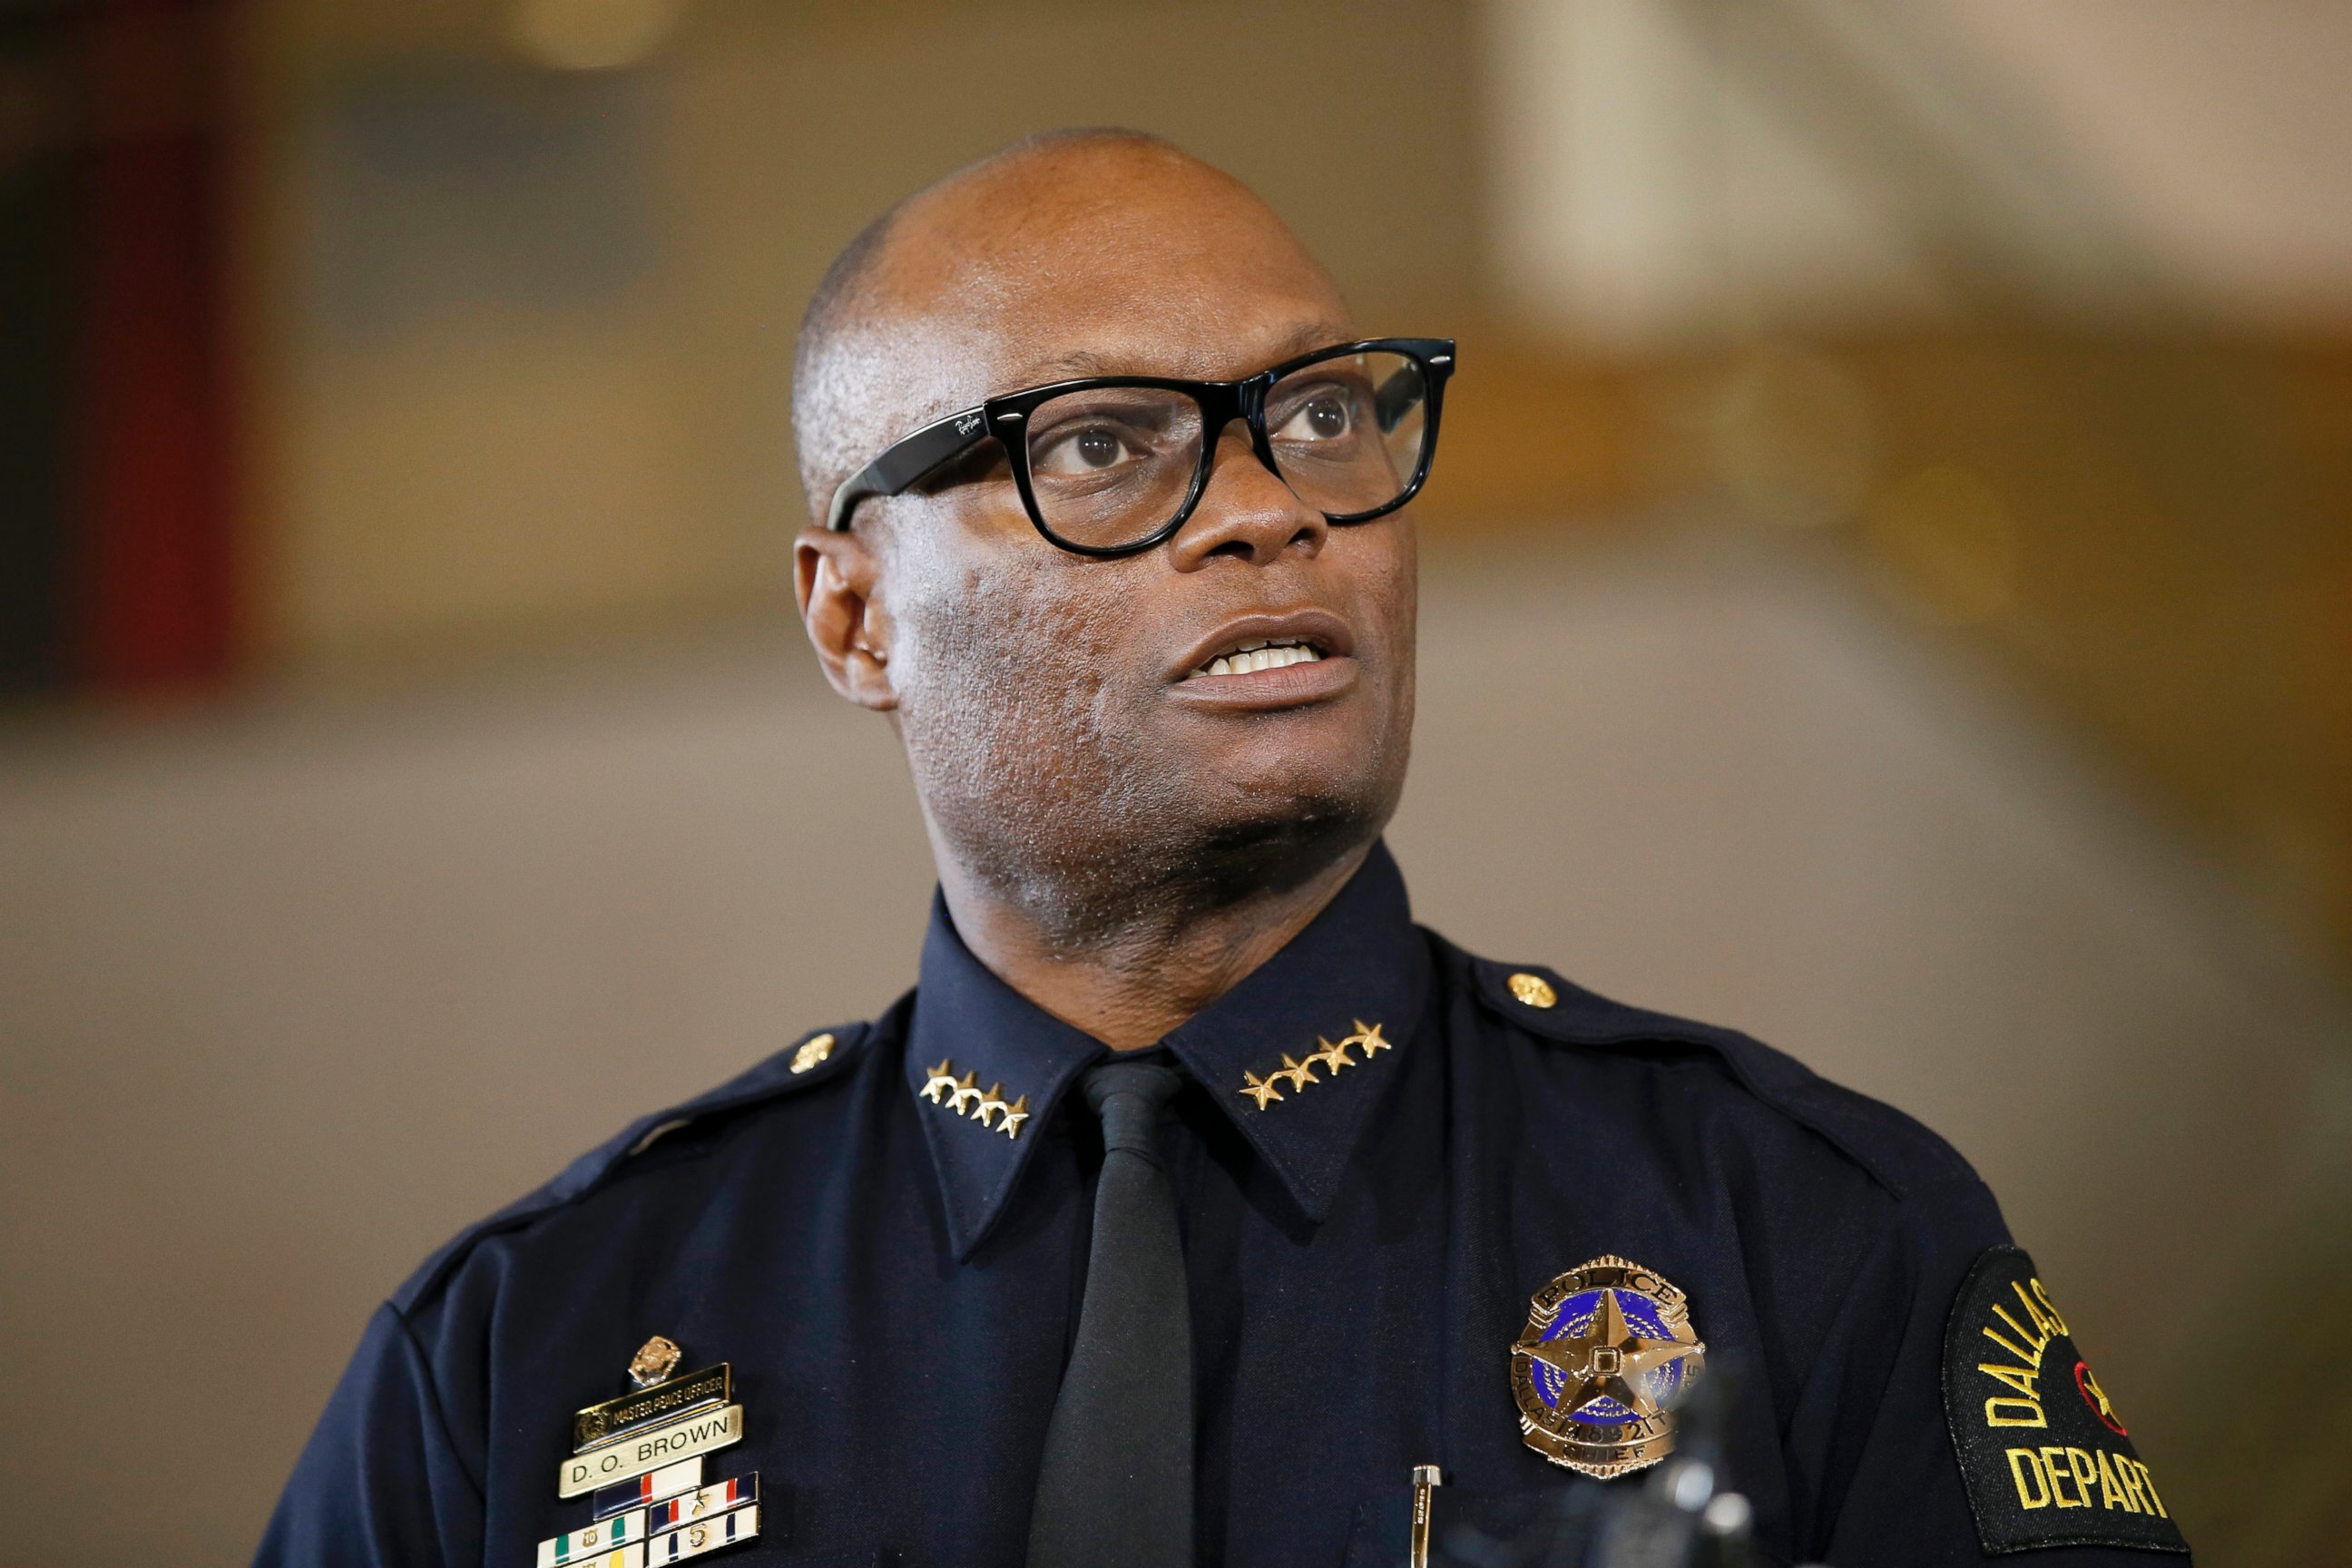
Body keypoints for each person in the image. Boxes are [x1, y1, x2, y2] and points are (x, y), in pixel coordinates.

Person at [257, 131, 2190, 1568]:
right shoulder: (526, 1353)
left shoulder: (1796, 1227)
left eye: (1323, 413)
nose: (1272, 513)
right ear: (855, 618)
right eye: (1102, 446)